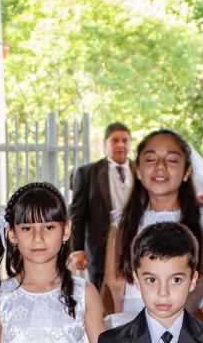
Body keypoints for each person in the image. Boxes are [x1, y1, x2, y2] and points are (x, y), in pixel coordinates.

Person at [102, 129, 203, 343]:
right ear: (138, 169)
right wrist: (118, 324)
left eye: (172, 160)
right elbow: (112, 284)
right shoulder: (121, 221)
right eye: (150, 159)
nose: (160, 167)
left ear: (186, 170)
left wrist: (184, 332)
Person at [0, 182, 105, 343]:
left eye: (49, 227)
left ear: (65, 230)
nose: (38, 238)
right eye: (26, 228)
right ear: (11, 233)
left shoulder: (85, 294)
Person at [98, 222, 203, 343]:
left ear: (192, 280)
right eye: (152, 280)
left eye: (175, 280)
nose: (163, 292)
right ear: (137, 280)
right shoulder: (111, 340)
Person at [69, 122, 133, 290]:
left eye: (125, 140)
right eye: (115, 140)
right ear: (105, 144)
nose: (121, 145)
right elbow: (77, 214)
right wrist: (77, 249)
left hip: (136, 248)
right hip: (101, 251)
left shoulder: (140, 171)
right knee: (103, 299)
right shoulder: (87, 173)